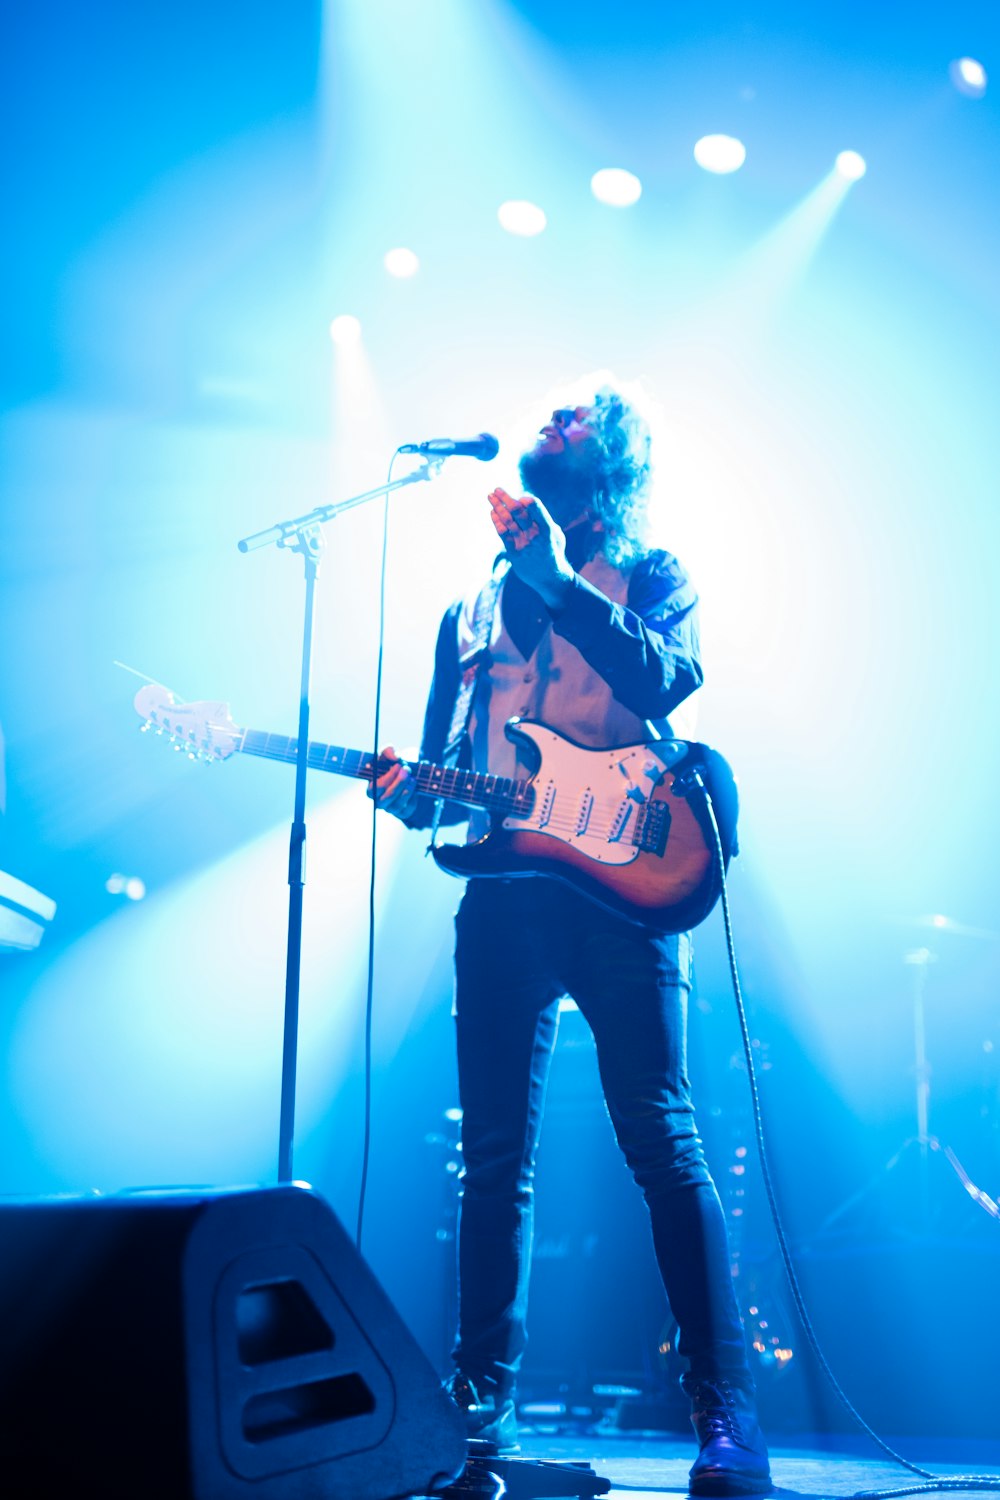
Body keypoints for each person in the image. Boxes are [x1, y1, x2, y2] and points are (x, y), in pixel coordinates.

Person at [372, 388, 771, 1496]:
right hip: (501, 885)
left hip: (625, 880)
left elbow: (666, 679)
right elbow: (447, 757)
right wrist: (410, 791)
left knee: (661, 1138)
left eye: (570, 420)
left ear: (611, 465)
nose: (546, 423)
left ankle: (724, 1413)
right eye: (546, 417)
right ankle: (477, 1408)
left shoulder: (653, 573)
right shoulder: (467, 609)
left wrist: (556, 583)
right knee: (491, 1157)